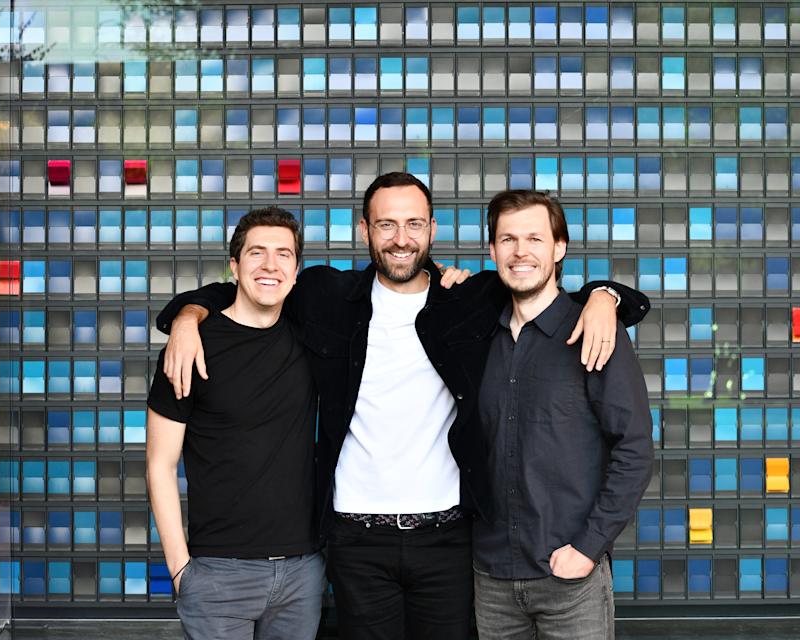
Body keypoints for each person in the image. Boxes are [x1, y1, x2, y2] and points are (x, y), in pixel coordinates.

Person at [156, 173, 651, 640]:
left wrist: (606, 297)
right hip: (356, 538)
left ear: (432, 229)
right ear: (365, 230)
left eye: (414, 224)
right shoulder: (326, 296)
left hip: (448, 537)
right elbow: (255, 285)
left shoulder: (470, 298)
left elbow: (544, 288)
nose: (400, 239)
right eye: (386, 224)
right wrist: (187, 315)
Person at [472, 191, 654, 640]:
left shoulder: (595, 331)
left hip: (571, 580)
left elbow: (633, 450)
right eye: (508, 239)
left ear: (559, 248)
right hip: (490, 578)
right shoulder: (475, 337)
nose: (521, 252)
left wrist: (589, 548)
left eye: (535, 238)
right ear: (492, 250)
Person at [146, 207, 326, 640]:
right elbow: (159, 464)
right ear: (235, 265)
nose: (270, 265)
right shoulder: (191, 348)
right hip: (217, 575)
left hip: (302, 573)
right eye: (256, 253)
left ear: (296, 271)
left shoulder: (312, 336)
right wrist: (180, 570)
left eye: (283, 254)